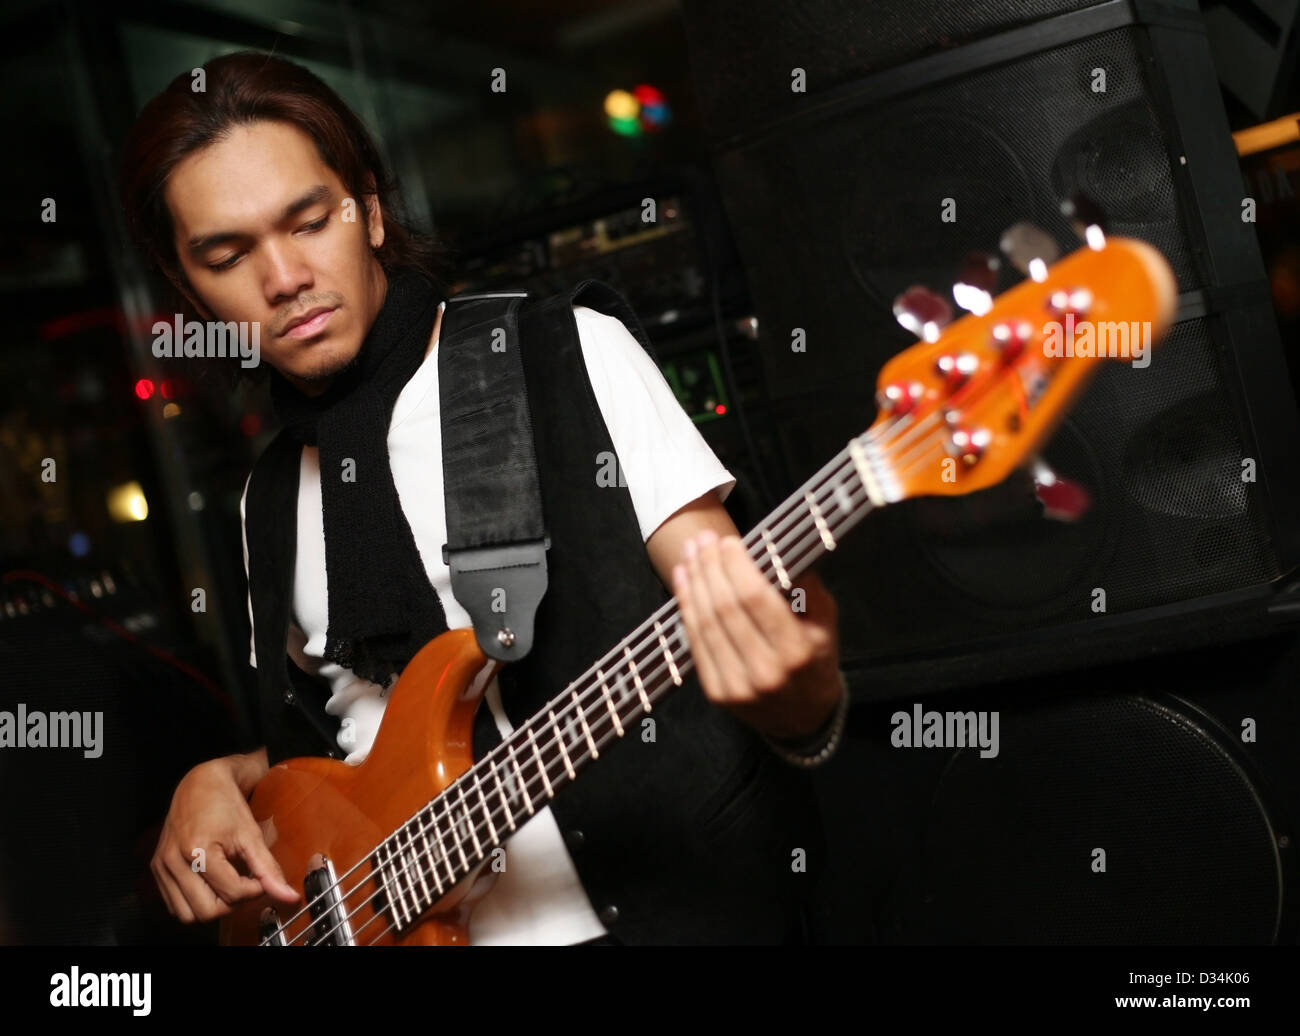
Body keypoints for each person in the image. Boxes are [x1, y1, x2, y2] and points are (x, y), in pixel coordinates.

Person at [119, 52, 847, 945]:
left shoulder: (565, 356)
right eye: (227, 255)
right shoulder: (265, 500)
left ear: (371, 209)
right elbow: (335, 747)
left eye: (309, 222)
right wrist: (220, 780)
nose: (282, 279)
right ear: (189, 285)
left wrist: (800, 684)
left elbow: (755, 621)